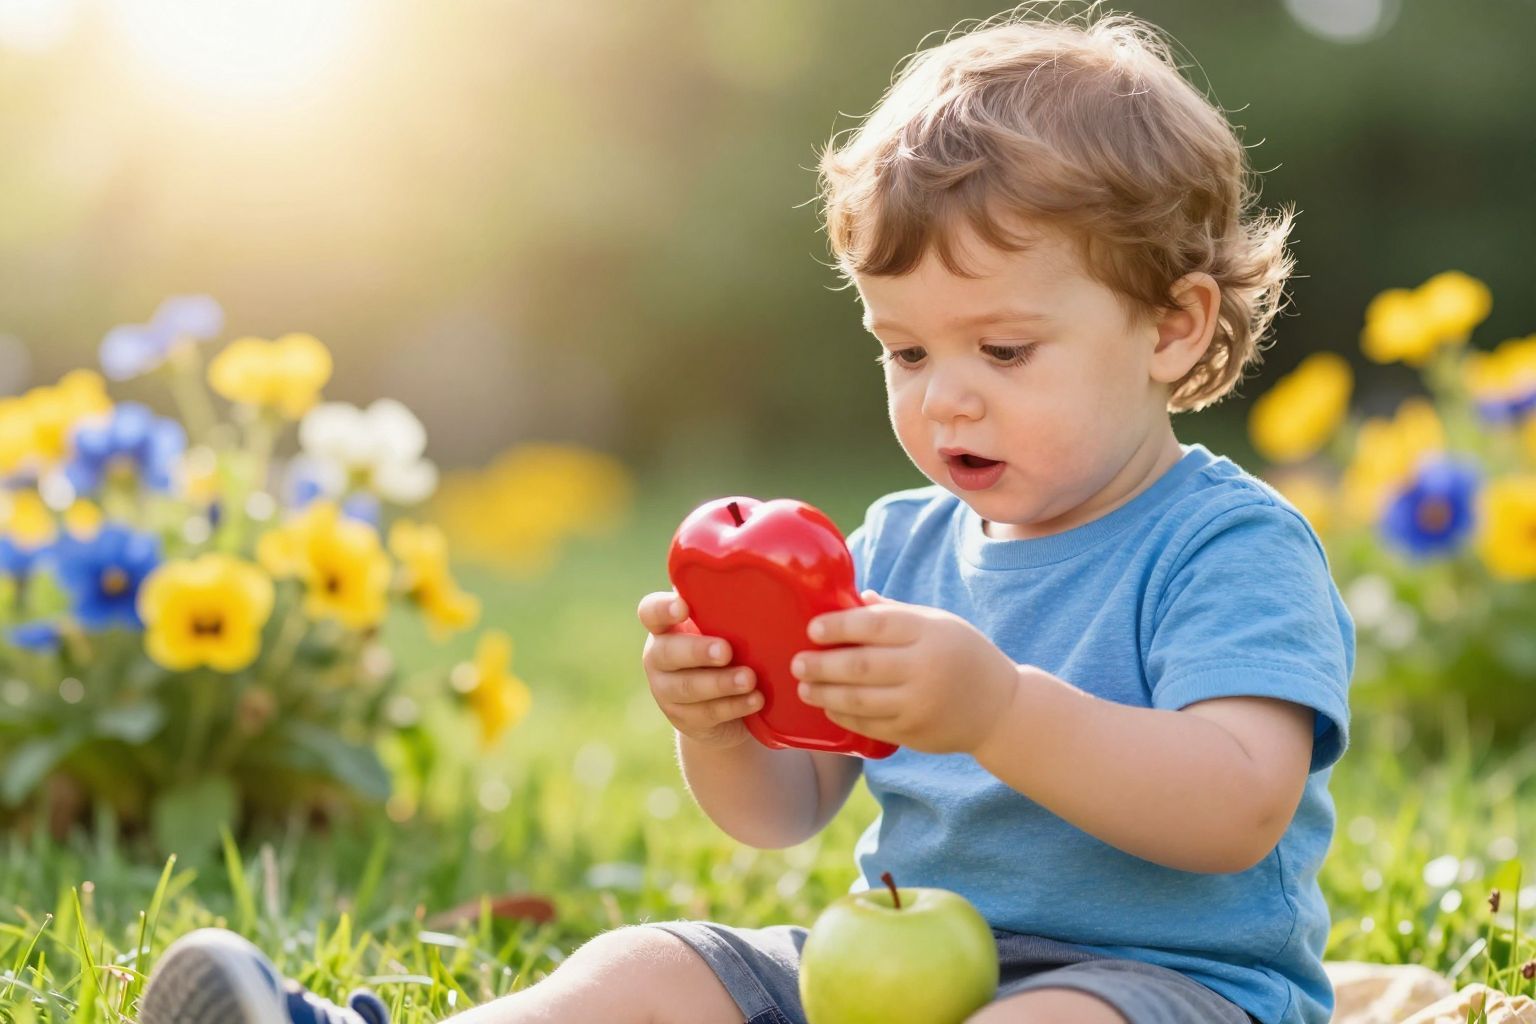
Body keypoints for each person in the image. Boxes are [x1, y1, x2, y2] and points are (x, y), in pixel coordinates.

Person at [139, 3, 1352, 1023]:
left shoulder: (1225, 544)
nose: (947, 396)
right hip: (897, 964)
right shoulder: (895, 547)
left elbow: (1235, 805)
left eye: (1003, 346)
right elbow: (784, 812)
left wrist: (997, 706)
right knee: (646, 969)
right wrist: (722, 725)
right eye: (906, 350)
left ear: (1172, 326)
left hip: (1169, 987)